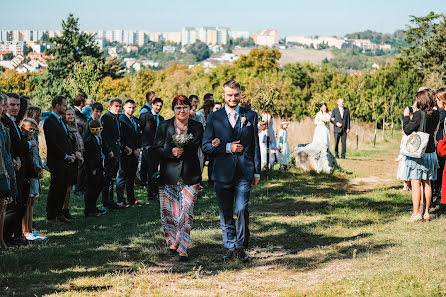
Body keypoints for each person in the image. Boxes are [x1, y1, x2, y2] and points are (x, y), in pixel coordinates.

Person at [202, 80, 261, 262]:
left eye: (236, 95)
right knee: (225, 210)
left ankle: (241, 245)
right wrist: (227, 147)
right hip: (222, 171)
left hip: (245, 171)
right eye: (229, 95)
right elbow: (206, 146)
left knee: (242, 208)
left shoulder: (250, 115)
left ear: (240, 94)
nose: (233, 98)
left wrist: (257, 171)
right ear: (224, 96)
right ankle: (229, 245)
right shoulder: (213, 117)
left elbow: (255, 144)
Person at [154, 95, 203, 261]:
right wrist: (170, 151)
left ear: (190, 109)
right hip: (169, 174)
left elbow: (198, 146)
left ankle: (183, 247)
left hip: (191, 174)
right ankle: (173, 240)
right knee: (172, 213)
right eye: (178, 107)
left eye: (185, 107)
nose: (182, 111)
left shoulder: (197, 127)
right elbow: (155, 149)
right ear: (174, 110)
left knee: (186, 211)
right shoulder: (164, 126)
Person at [2, 93, 36, 244]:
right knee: (12, 205)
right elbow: (16, 145)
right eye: (12, 105)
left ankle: (16, 235)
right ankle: (8, 237)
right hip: (11, 167)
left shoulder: (13, 121)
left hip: (20, 167)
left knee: (19, 203)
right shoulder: (4, 121)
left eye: (18, 105)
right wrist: (28, 145)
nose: (16, 108)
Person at [402, 88, 439, 222]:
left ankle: (416, 213)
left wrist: (406, 115)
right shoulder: (435, 114)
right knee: (427, 182)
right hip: (430, 151)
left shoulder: (419, 114)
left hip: (418, 153)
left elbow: (407, 129)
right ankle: (426, 213)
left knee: (416, 183)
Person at [43, 95, 75, 225]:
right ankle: (51, 216)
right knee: (55, 188)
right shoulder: (50, 121)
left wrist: (71, 154)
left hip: (66, 161)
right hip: (57, 161)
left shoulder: (61, 121)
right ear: (56, 105)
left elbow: (66, 140)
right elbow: (52, 143)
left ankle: (59, 213)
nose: (66, 107)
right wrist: (65, 156)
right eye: (64, 105)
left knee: (62, 188)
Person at [23, 106, 46, 240]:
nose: (32, 131)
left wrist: (40, 167)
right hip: (29, 172)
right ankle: (26, 231)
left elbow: (36, 154)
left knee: (32, 200)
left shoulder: (35, 136)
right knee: (28, 200)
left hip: (35, 169)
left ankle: (30, 229)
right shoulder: (27, 138)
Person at [116, 99, 143, 206]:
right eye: (129, 107)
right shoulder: (120, 120)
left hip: (135, 152)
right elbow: (120, 137)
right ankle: (120, 200)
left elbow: (140, 136)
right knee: (122, 176)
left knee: (132, 177)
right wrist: (126, 147)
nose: (131, 109)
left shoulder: (136, 120)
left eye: (133, 107)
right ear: (124, 108)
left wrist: (138, 148)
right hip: (125, 152)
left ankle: (131, 199)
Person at [101, 98, 124, 211]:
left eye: (120, 106)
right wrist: (108, 150)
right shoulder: (106, 117)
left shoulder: (117, 118)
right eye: (116, 106)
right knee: (107, 178)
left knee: (113, 178)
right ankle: (106, 203)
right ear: (110, 106)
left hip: (116, 151)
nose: (118, 108)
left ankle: (111, 201)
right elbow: (104, 136)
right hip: (109, 152)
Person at [139, 97, 164, 200]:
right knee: (150, 169)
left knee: (156, 169)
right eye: (157, 105)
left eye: (160, 106)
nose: (158, 107)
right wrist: (141, 145)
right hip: (147, 147)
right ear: (152, 105)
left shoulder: (161, 119)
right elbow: (139, 130)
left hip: (158, 147)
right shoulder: (145, 116)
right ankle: (151, 194)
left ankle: (156, 191)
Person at [62, 107, 85, 219]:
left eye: (72, 114)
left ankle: (66, 208)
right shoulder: (64, 128)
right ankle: (62, 209)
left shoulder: (75, 128)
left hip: (75, 160)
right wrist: (75, 153)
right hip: (67, 160)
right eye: (68, 114)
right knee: (65, 188)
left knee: (70, 188)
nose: (71, 116)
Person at [0, 93, 16, 250]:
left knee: (3, 207)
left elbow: (7, 150)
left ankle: (2, 241)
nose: (5, 108)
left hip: (4, 170)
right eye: (3, 105)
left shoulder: (3, 127)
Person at [84, 120, 109, 217]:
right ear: (91, 130)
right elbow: (89, 157)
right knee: (92, 189)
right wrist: (92, 168)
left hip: (99, 166)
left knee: (99, 186)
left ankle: (93, 207)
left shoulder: (98, 138)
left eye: (100, 129)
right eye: (96, 129)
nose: (98, 131)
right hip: (93, 168)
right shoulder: (89, 141)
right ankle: (89, 209)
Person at [73, 94, 88, 194]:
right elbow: (85, 124)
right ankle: (78, 188)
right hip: (78, 143)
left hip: (79, 142)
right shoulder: (76, 113)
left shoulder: (78, 112)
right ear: (82, 103)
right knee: (81, 166)